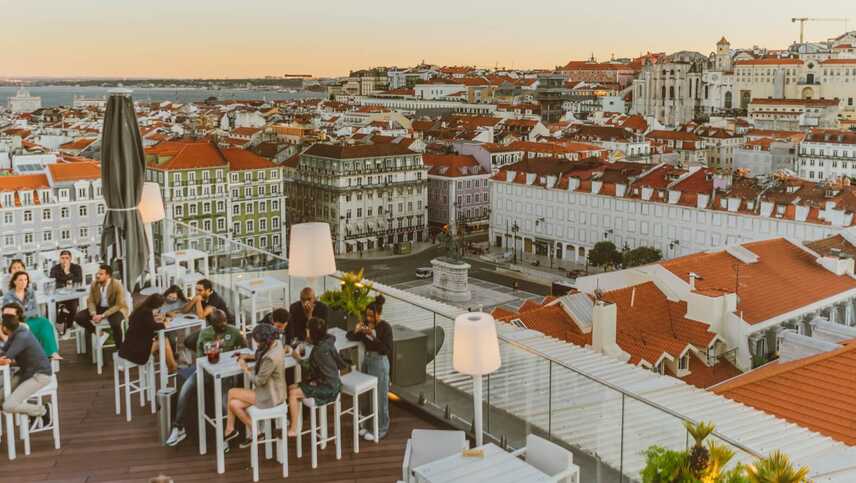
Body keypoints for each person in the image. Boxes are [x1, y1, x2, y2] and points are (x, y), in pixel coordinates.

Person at [165, 309, 247, 447]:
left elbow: (245, 350)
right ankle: (178, 427)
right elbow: (199, 358)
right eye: (219, 323)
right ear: (212, 324)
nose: (223, 324)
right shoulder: (205, 334)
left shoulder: (233, 332)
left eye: (225, 321)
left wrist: (237, 356)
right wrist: (212, 351)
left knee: (224, 401)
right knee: (185, 389)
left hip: (226, 373)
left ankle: (226, 435)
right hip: (207, 371)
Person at [224, 324, 286, 448]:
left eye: (257, 342)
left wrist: (245, 368)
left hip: (271, 396)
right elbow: (262, 356)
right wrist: (248, 356)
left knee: (231, 392)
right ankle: (256, 432)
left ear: (264, 342)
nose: (256, 345)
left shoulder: (270, 359)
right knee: (233, 404)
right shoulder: (277, 344)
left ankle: (229, 429)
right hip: (274, 390)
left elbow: (258, 381)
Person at [286, 317, 348, 437]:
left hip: (327, 388)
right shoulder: (329, 343)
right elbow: (341, 364)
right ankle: (295, 421)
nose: (306, 332)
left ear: (312, 333)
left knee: (293, 393)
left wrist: (295, 356)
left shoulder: (318, 351)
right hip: (333, 383)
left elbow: (308, 367)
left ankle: (293, 428)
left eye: (308, 330)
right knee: (291, 387)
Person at [346, 295, 392, 441]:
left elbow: (385, 350)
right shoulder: (366, 324)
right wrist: (356, 330)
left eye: (372, 316)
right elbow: (350, 337)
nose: (369, 318)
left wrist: (372, 336)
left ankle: (381, 428)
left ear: (379, 314)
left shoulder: (385, 327)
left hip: (379, 362)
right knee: (367, 396)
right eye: (367, 315)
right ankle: (368, 425)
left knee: (380, 397)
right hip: (367, 360)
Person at [0, 303, 51, 425]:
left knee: (8, 406)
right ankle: (30, 409)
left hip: (40, 375)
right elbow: (4, 351)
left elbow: (6, 359)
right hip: (26, 372)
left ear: (5, 328)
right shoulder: (17, 331)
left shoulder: (21, 336)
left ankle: (43, 410)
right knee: (0, 397)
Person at [2, 271, 60, 359]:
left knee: (45, 323)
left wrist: (22, 313)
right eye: (20, 280)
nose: (23, 282)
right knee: (26, 327)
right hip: (17, 322)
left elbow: (35, 310)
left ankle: (51, 353)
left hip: (31, 319)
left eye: (25, 280)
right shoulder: (8, 296)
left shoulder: (31, 292)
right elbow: (8, 315)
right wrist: (25, 314)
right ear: (15, 281)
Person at [73, 264, 129, 350]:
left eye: (101, 274)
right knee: (79, 317)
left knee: (115, 324)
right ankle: (100, 334)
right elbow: (91, 301)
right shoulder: (94, 284)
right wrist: (93, 313)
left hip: (115, 309)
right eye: (97, 273)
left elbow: (119, 304)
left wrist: (103, 315)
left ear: (108, 275)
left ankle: (120, 349)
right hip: (99, 308)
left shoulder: (117, 284)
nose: (98, 276)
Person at [119, 294, 177, 372]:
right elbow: (155, 327)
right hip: (136, 351)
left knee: (163, 341)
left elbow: (146, 324)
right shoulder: (147, 313)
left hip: (127, 347)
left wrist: (155, 319)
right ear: (156, 306)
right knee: (164, 341)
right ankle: (172, 367)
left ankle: (172, 366)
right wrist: (165, 323)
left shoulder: (140, 310)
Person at [49, 250, 83, 334]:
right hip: (58, 296)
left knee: (73, 308)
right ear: (59, 259)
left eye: (67, 258)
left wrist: (67, 272)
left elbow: (79, 280)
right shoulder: (55, 269)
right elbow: (52, 281)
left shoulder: (76, 267)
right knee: (50, 307)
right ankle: (55, 328)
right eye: (62, 258)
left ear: (70, 259)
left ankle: (67, 327)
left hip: (72, 295)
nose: (64, 260)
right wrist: (68, 279)